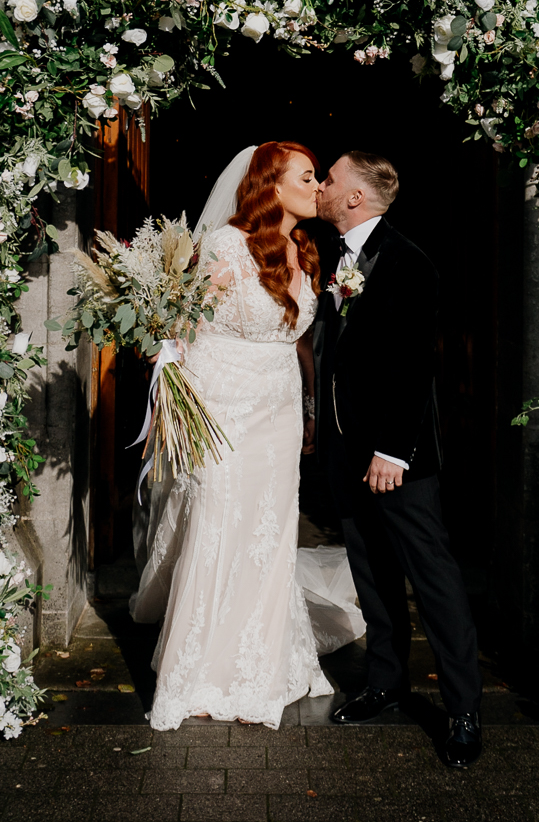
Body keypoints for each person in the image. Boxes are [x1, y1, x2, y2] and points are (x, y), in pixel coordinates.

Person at [130, 142, 335, 728]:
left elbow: (299, 340)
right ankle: (201, 672)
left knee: (269, 529)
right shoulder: (226, 246)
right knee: (220, 519)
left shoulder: (304, 248)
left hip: (278, 405)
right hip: (221, 400)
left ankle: (263, 665)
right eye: (307, 176)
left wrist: (312, 407)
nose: (317, 185)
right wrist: (173, 392)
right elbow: (181, 323)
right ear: (271, 187)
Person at [312, 151, 483, 768]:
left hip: (396, 459)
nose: (322, 188)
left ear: (355, 196)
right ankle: (385, 683)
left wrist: (393, 451)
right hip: (344, 451)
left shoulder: (409, 263)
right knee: (371, 575)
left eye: (330, 180)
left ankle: (464, 710)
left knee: (431, 578)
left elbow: (415, 368)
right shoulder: (337, 259)